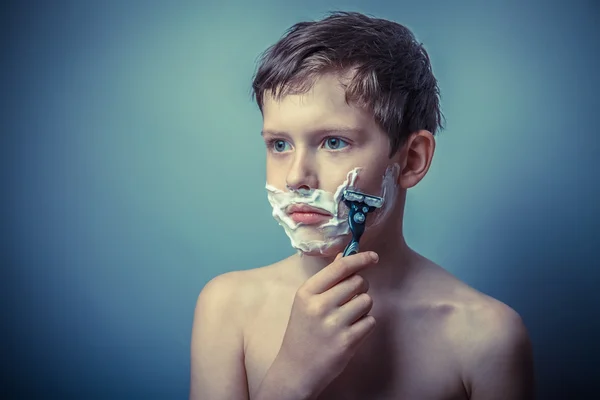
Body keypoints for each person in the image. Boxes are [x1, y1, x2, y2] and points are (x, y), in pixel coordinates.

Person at [190, 11, 535, 400]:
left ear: (411, 160)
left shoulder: (486, 338)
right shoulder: (227, 308)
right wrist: (290, 379)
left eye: (334, 142)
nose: (296, 177)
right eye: (279, 144)